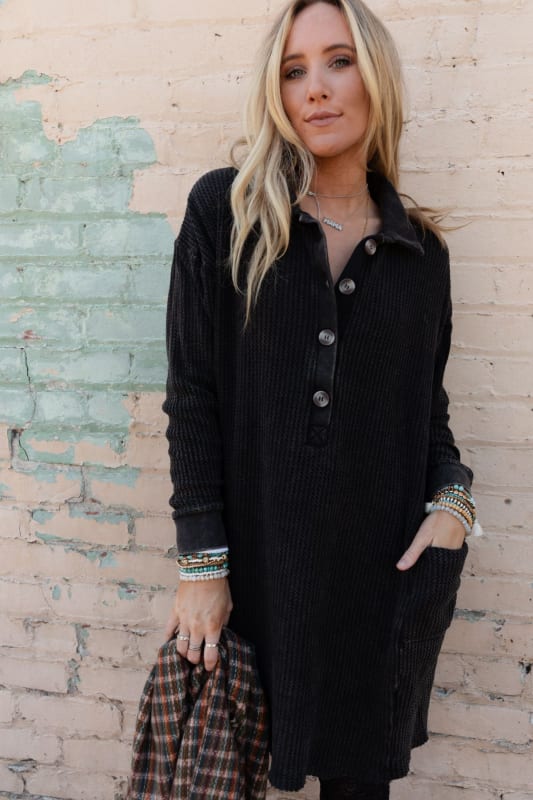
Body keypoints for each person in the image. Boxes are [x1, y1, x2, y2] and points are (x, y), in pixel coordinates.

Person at [162, 1, 479, 797]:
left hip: (378, 582)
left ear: (376, 79)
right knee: (219, 775)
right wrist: (202, 564)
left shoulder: (420, 254)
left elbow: (426, 415)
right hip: (254, 572)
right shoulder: (226, 213)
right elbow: (192, 397)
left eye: (339, 62)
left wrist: (453, 503)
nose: (315, 89)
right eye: (292, 71)